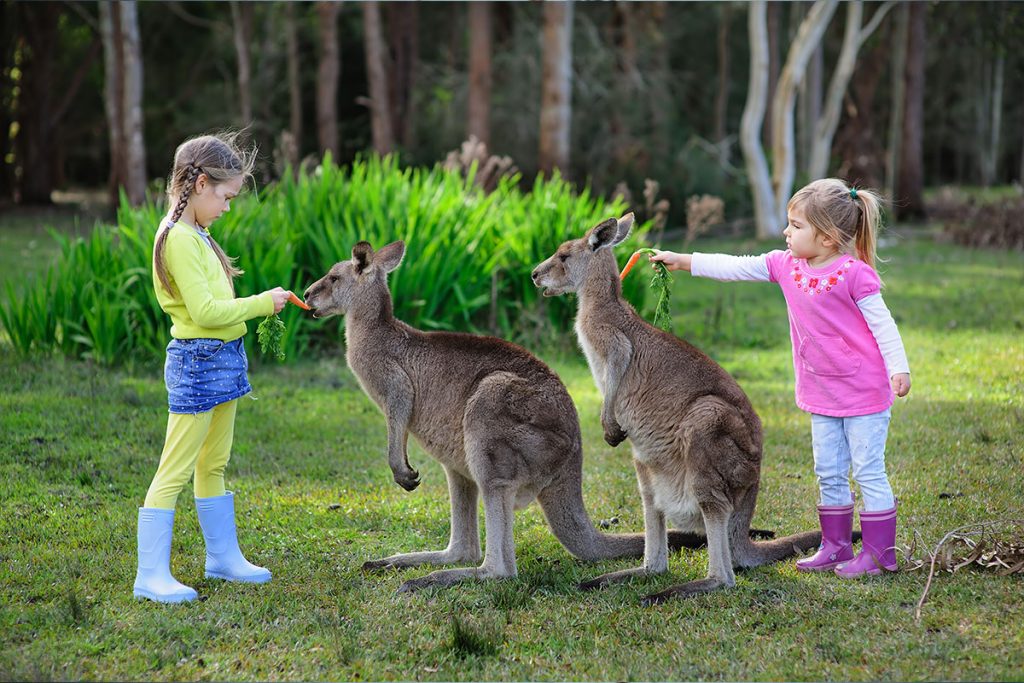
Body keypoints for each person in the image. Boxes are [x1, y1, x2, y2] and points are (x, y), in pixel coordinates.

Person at [649, 178, 910, 578]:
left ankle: (878, 554)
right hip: (821, 392)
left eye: (796, 225)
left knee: (868, 470)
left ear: (825, 238)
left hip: (864, 394)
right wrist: (684, 261)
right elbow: (735, 267)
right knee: (828, 470)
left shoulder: (855, 275)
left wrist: (899, 368)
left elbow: (884, 325)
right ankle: (836, 545)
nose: (786, 232)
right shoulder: (786, 266)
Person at [133, 133, 292, 603]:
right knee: (174, 469)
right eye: (225, 196)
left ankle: (222, 558)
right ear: (200, 183)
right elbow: (202, 313)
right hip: (198, 363)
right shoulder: (178, 239)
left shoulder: (197, 234)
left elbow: (215, 302)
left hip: (223, 361)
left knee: (213, 463)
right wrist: (262, 303)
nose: (227, 206)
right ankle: (150, 575)